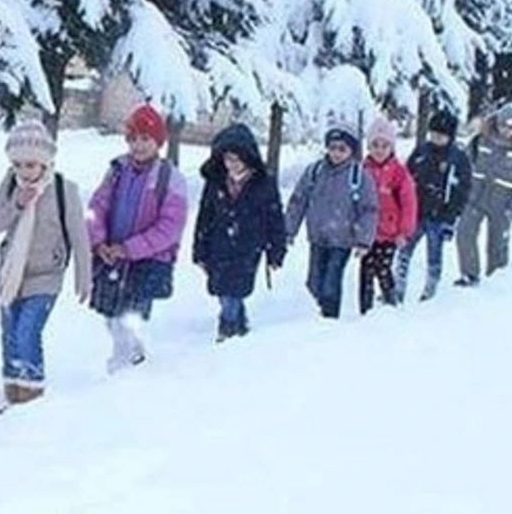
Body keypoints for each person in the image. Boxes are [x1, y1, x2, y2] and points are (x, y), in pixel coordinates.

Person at [0, 119, 90, 407]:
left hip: (46, 276)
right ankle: (12, 388)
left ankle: (31, 392)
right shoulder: (10, 184)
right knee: (9, 334)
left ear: (45, 162)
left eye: (30, 165)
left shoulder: (63, 189)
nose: (24, 171)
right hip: (11, 274)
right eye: (18, 164)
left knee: (27, 331)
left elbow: (79, 237)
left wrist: (84, 275)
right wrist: (17, 204)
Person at [86, 103, 187, 370]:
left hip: (145, 260)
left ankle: (124, 366)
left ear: (158, 142)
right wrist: (99, 241)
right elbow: (96, 207)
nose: (139, 145)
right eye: (134, 138)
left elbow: (169, 227)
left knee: (128, 316)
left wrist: (130, 248)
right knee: (110, 314)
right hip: (112, 257)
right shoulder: (117, 170)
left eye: (146, 139)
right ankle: (132, 353)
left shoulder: (170, 178)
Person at [192, 123, 286, 342]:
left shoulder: (263, 184)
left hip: (248, 246)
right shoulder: (216, 182)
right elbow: (204, 217)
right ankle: (240, 324)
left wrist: (276, 251)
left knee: (234, 290)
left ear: (248, 157)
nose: (231, 165)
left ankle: (226, 329)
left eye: (236, 159)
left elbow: (275, 219)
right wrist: (199, 250)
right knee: (223, 289)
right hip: (219, 245)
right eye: (227, 159)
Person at [285, 125, 379, 319]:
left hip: (342, 239)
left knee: (331, 281)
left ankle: (329, 319)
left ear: (351, 151)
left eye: (342, 149)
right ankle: (318, 309)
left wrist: (363, 240)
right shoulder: (315, 171)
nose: (336, 153)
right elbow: (298, 200)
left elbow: (368, 209)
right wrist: (288, 230)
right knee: (314, 281)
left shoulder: (359, 176)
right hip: (318, 237)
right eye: (333, 147)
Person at [395, 110, 472, 302]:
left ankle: (430, 289)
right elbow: (406, 177)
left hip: (440, 215)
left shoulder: (458, 159)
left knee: (434, 254)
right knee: (404, 250)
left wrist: (451, 219)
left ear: (450, 136)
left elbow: (462, 191)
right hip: (416, 212)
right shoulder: (422, 151)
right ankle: (397, 287)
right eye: (433, 133)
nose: (436, 138)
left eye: (441, 135)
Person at [359, 117, 417, 313]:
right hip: (368, 232)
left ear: (391, 147)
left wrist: (404, 231)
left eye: (384, 145)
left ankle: (391, 302)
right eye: (375, 145)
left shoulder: (399, 173)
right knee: (366, 270)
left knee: (383, 268)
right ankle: (365, 309)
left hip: (390, 232)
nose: (379, 149)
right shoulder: (362, 169)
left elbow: (409, 204)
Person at [455, 102, 512, 287]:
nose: (508, 130)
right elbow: (464, 164)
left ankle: (496, 282)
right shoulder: (481, 140)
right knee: (464, 232)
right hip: (474, 198)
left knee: (497, 245)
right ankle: (469, 274)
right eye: (505, 125)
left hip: (502, 204)